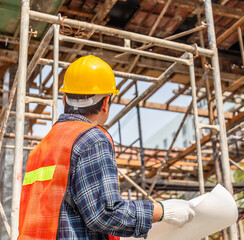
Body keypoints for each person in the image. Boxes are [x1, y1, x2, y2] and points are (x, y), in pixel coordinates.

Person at [18, 55, 195, 239]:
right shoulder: (92, 139)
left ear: (64, 99)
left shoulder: (40, 149)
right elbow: (103, 213)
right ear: (105, 103)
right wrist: (162, 211)